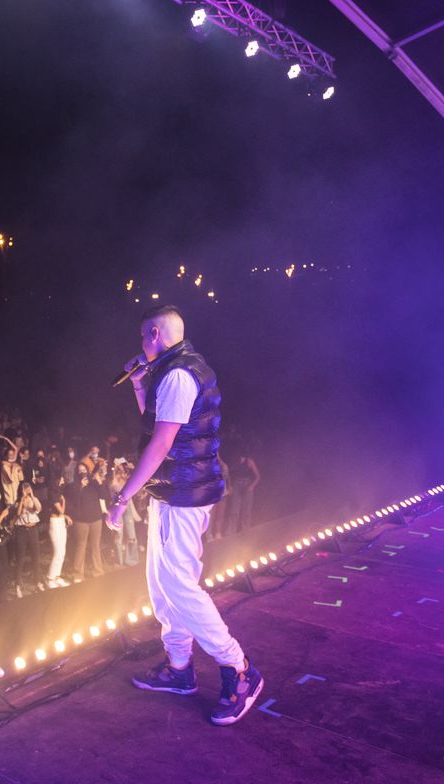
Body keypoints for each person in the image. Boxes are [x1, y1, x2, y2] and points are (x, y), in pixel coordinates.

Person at [110, 305, 263, 726]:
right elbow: (158, 422)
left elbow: (160, 445)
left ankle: (239, 669)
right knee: (161, 584)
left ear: (154, 335)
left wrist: (123, 497)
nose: (140, 344)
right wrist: (138, 384)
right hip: (172, 490)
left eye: (143, 336)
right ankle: (179, 669)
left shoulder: (179, 375)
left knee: (179, 584)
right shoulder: (173, 370)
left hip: (184, 494)